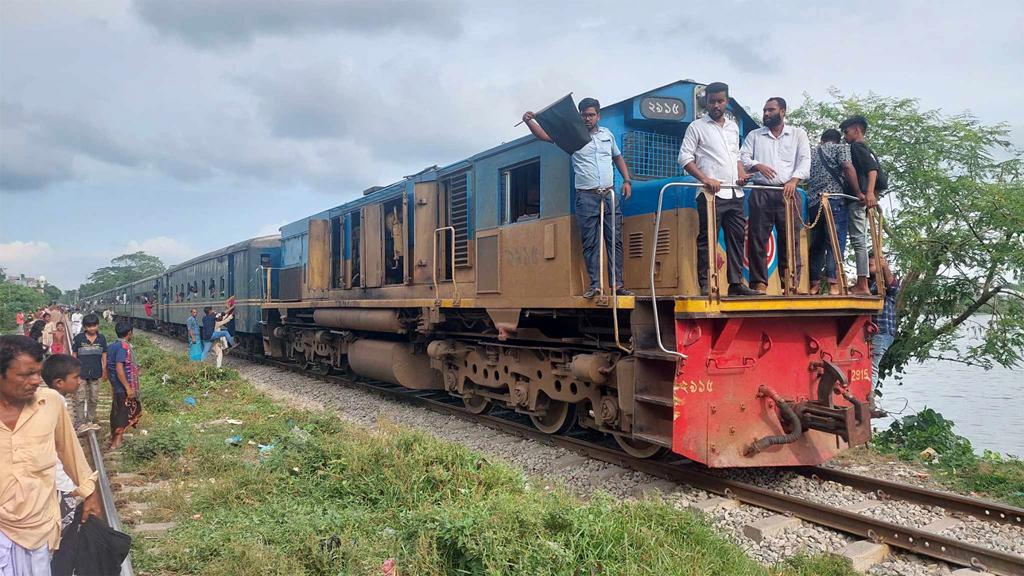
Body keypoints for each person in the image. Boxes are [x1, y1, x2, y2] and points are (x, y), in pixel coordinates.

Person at [0, 335, 102, 571]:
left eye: (38, 372)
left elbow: (70, 452)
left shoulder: (51, 403)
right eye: (26, 374)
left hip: (39, 525)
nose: (36, 381)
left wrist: (89, 494)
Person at [523, 97, 634, 298]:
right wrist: (529, 121)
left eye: (591, 115)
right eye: (583, 115)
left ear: (598, 116)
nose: (587, 119)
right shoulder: (571, 135)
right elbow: (545, 136)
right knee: (590, 242)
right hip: (587, 197)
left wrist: (627, 180)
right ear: (579, 116)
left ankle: (617, 285)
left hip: (608, 194)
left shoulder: (607, 135)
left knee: (614, 240)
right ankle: (595, 286)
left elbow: (617, 157)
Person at [678, 82, 757, 296]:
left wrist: (741, 175)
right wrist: (705, 179)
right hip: (711, 194)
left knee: (738, 237)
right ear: (706, 102)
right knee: (707, 239)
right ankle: (705, 284)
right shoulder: (696, 127)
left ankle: (736, 283)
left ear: (726, 102)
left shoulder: (733, 127)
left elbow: (736, 157)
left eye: (720, 101)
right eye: (712, 101)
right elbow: (684, 158)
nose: (716, 105)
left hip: (735, 193)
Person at [740, 97, 811, 294]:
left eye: (770, 110)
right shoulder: (755, 135)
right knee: (757, 238)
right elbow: (743, 157)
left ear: (783, 111)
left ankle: (790, 284)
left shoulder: (798, 134)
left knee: (790, 239)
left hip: (788, 192)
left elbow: (805, 161)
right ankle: (759, 283)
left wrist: (794, 181)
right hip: (761, 191)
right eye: (764, 110)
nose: (766, 114)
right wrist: (757, 165)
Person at [41, 354, 97, 531]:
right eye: (75, 377)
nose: (80, 381)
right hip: (58, 482)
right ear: (59, 382)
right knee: (64, 532)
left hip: (55, 480)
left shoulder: (51, 401)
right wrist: (69, 482)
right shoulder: (57, 404)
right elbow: (61, 449)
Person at [806, 129, 862, 294]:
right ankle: (834, 285)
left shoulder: (811, 153)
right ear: (837, 140)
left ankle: (813, 285)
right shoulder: (840, 148)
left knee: (817, 245)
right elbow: (847, 166)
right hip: (834, 200)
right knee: (835, 243)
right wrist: (858, 192)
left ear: (822, 140)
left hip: (813, 203)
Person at [839, 115, 880, 295]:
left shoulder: (856, 147)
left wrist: (869, 193)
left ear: (857, 130)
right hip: (862, 199)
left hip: (857, 200)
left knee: (858, 240)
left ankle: (862, 283)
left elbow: (873, 170)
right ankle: (862, 282)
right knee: (859, 239)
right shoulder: (868, 149)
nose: (844, 136)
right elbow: (881, 176)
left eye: (846, 132)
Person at [106, 321, 142, 450]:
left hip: (116, 383)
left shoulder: (112, 346)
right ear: (129, 333)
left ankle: (113, 438)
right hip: (123, 384)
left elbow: (107, 366)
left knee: (117, 411)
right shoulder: (123, 347)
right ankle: (116, 442)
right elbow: (119, 367)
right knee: (123, 413)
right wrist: (127, 387)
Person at [869, 251, 901, 388]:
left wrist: (885, 267)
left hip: (882, 332)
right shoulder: (869, 284)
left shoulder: (882, 284)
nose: (868, 265)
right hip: (875, 331)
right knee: (868, 364)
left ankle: (869, 396)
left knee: (872, 365)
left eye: (871, 263)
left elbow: (893, 287)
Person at [71, 313, 107, 428]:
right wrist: (74, 372)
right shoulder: (78, 339)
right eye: (89, 326)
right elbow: (74, 355)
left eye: (94, 325)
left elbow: (104, 354)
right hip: (81, 373)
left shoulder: (102, 339)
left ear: (98, 325)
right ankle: (80, 422)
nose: (92, 328)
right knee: (80, 397)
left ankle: (90, 419)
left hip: (96, 373)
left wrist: (105, 369)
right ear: (85, 327)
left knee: (94, 398)